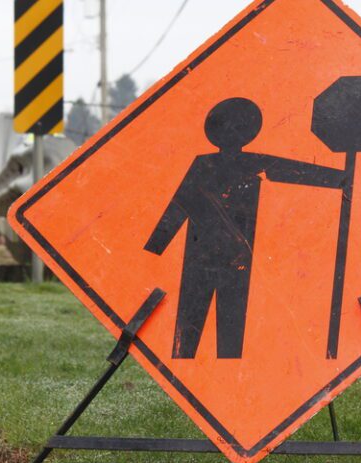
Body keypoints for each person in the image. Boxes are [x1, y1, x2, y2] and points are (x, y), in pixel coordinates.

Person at [144, 97, 346, 360]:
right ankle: (192, 363)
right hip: (214, 256)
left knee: (218, 323)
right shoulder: (215, 164)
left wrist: (340, 180)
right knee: (201, 321)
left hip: (226, 256)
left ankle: (203, 364)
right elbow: (179, 205)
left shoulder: (222, 163)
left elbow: (293, 171)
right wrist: (342, 180)